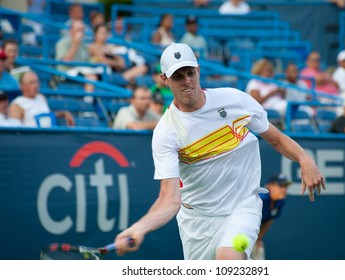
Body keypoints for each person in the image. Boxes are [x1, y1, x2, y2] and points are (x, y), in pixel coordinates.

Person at [113, 43, 325, 260]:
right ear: (164, 80)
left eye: (190, 73)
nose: (186, 81)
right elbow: (169, 198)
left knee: (228, 260)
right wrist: (139, 228)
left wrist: (303, 158)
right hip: (196, 223)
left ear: (198, 71)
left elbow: (277, 139)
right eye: (178, 76)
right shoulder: (166, 132)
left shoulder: (234, 100)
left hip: (242, 205)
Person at [8, 71, 74, 127]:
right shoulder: (17, 104)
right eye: (31, 83)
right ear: (22, 86)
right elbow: (16, 130)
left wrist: (64, 113)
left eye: (36, 82)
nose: (35, 86)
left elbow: (46, 116)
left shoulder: (41, 98)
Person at [251, 174, 292, 260]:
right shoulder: (260, 199)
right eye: (281, 186)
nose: (284, 190)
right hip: (241, 232)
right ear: (270, 186)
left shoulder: (280, 201)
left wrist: (259, 237)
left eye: (286, 187)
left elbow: (269, 219)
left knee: (259, 253)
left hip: (253, 235)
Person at [56, 19, 98, 94]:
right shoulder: (62, 43)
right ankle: (88, 101)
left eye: (82, 30)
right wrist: (75, 44)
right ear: (71, 31)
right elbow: (65, 62)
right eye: (78, 30)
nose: (80, 33)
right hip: (65, 73)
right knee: (91, 77)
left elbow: (87, 63)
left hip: (82, 73)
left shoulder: (84, 46)